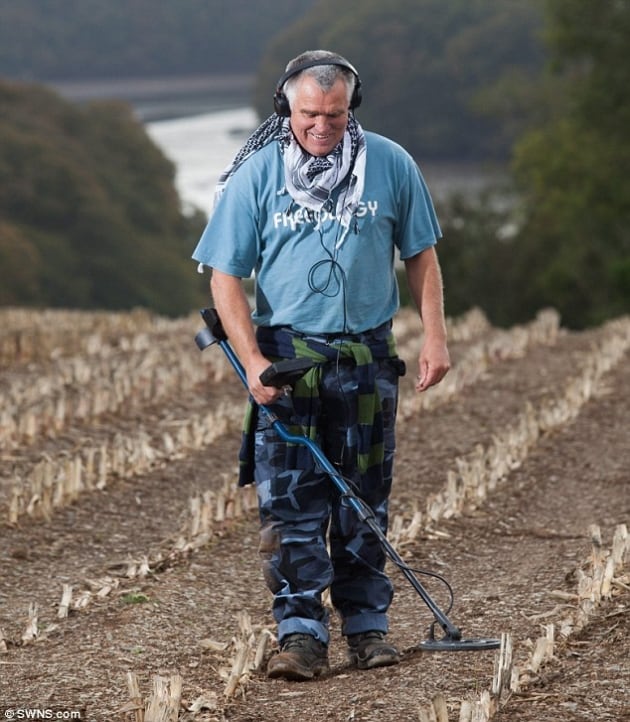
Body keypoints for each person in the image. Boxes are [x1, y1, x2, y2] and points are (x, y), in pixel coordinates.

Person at [192, 49, 450, 681]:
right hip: (286, 359)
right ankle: (301, 634)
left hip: (366, 355)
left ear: (350, 108)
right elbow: (225, 277)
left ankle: (367, 628)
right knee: (292, 503)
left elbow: (421, 256)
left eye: (335, 115)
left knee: (364, 499)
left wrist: (436, 338)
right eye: (309, 114)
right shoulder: (257, 174)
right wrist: (251, 359)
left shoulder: (391, 165)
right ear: (287, 106)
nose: (321, 127)